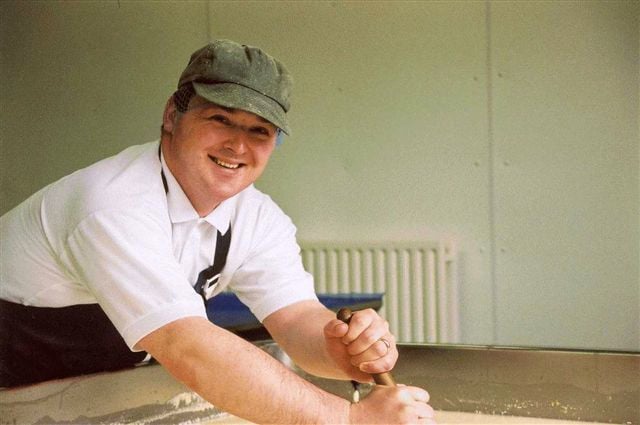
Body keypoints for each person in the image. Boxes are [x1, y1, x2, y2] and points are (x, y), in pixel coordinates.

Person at [0, 39, 435, 424]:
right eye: (220, 118)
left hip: (90, 399)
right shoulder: (112, 205)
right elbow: (187, 346)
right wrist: (348, 420)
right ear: (173, 114)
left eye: (259, 130)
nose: (237, 145)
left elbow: (297, 317)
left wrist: (341, 350)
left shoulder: (257, 218)